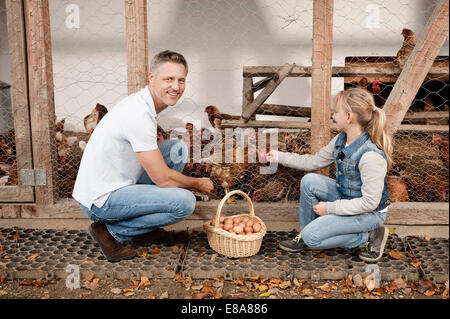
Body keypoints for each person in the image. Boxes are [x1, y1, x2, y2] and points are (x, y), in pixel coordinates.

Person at [73, 50, 214, 262]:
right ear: (151, 78)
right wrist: (197, 183)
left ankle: (146, 229)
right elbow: (162, 179)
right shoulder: (139, 114)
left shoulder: (143, 104)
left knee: (177, 148)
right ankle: (110, 233)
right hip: (101, 200)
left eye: (181, 80)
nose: (176, 87)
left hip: (117, 183)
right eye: (169, 79)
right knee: (184, 202)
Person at [264, 87, 393, 262]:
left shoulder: (370, 156)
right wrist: (278, 156)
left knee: (313, 238)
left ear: (349, 117)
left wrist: (331, 208)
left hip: (369, 213)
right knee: (309, 181)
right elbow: (314, 162)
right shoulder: (341, 140)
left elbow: (370, 203)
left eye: (335, 112)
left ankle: (368, 236)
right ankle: (307, 234)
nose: (332, 116)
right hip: (347, 198)